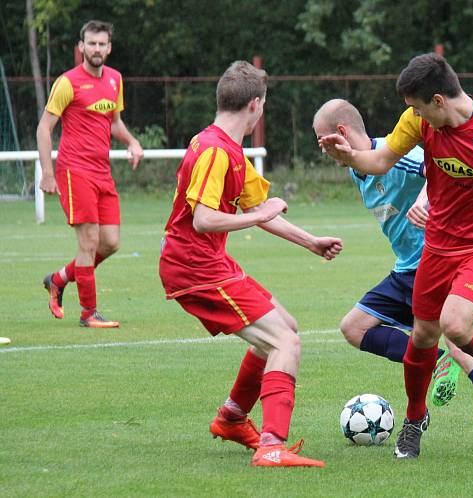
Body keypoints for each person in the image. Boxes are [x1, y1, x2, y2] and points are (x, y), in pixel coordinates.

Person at [320, 54, 473, 459]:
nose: (412, 116)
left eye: (417, 107)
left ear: (438, 100)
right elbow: (380, 160)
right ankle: (414, 422)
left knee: (455, 325)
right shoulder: (420, 121)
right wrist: (349, 157)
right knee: (421, 337)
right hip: (439, 244)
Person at [159, 61, 342, 468]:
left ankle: (232, 418)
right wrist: (258, 217)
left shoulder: (225, 149)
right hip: (194, 267)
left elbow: (260, 207)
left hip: (207, 262)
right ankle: (271, 447)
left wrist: (309, 241)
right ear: (256, 105)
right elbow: (205, 219)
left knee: (285, 328)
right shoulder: (213, 151)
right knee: (284, 342)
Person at [38, 20, 144, 328]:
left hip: (102, 172)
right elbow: (44, 128)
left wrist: (133, 141)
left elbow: (114, 123)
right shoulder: (67, 82)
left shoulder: (114, 79)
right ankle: (88, 313)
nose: (96, 49)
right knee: (88, 241)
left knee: (110, 242)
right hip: (74, 171)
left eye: (102, 44)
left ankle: (58, 279)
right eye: (91, 43)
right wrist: (47, 172)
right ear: (81, 47)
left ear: (109, 48)